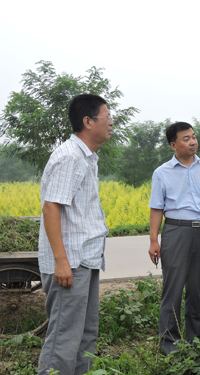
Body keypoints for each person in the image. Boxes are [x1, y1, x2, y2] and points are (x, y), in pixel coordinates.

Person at [37, 94, 112, 375]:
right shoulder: (69, 157)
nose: (111, 122)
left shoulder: (87, 157)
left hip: (86, 260)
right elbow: (51, 208)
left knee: (85, 334)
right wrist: (61, 261)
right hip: (70, 263)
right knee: (64, 339)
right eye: (107, 117)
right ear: (88, 122)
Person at [148, 121, 200, 355]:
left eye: (193, 137)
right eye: (186, 138)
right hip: (175, 231)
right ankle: (169, 345)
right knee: (172, 289)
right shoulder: (162, 173)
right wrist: (154, 239)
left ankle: (197, 342)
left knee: (196, 290)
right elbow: (156, 208)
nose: (192, 141)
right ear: (174, 144)